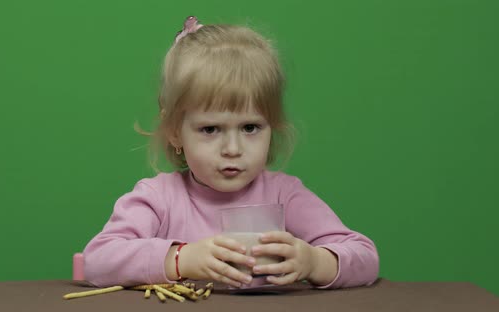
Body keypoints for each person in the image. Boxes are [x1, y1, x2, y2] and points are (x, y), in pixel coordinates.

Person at [83, 16, 379, 289]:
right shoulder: (159, 198)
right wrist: (181, 258)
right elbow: (97, 260)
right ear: (175, 131)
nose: (233, 150)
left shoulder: (284, 195)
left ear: (271, 127)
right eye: (210, 130)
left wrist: (315, 261)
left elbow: (365, 257)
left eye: (250, 128)